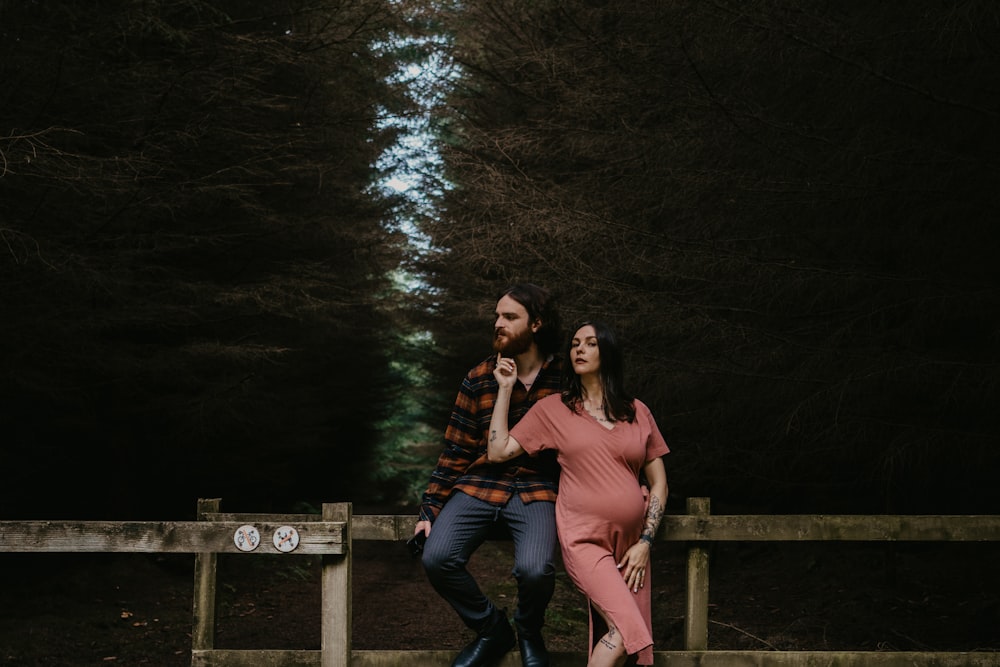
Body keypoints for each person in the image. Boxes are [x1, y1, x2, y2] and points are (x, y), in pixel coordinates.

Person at [488, 320, 669, 667]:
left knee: (633, 640)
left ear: (608, 352)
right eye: (574, 344)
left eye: (590, 343)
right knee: (622, 630)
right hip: (584, 540)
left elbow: (659, 482)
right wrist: (506, 389)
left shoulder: (637, 411)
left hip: (632, 545)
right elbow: (498, 451)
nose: (579, 350)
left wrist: (646, 541)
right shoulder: (555, 410)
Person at [414, 284, 564, 667]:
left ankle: (529, 631)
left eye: (510, 317)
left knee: (535, 570)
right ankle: (492, 629)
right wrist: (429, 510)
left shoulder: (565, 380)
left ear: (537, 324)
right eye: (497, 315)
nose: (498, 323)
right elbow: (457, 450)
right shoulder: (479, 376)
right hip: (479, 485)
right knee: (438, 557)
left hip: (538, 489)